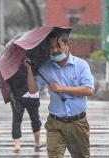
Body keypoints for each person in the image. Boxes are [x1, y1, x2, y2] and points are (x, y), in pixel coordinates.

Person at [24, 30, 94, 158]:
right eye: (51, 47)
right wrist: (29, 70)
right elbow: (33, 90)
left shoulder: (81, 65)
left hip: (78, 123)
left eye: (58, 46)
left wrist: (63, 89)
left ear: (67, 45)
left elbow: (88, 90)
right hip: (55, 123)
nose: (55, 50)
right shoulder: (45, 67)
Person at [6, 64, 45, 153]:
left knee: (17, 120)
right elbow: (39, 77)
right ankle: (37, 142)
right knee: (35, 118)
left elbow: (8, 80)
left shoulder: (11, 63)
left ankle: (17, 145)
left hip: (18, 96)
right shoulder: (34, 60)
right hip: (32, 95)